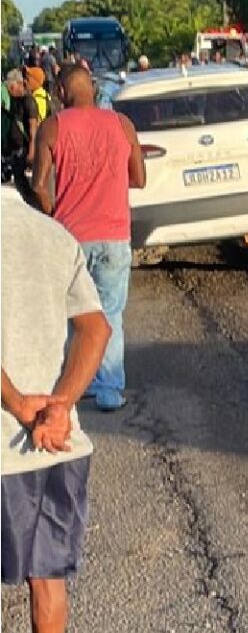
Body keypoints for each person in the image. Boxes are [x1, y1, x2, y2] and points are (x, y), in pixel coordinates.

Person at [2, 181, 112, 633]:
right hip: (56, 445)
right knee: (47, 575)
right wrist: (61, 403)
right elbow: (96, 329)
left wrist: (20, 403)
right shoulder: (54, 235)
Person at [31, 64, 147, 412]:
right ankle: (109, 389)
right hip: (113, 235)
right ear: (94, 90)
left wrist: (54, 214)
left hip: (70, 238)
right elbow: (139, 178)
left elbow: (38, 184)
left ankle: (72, 387)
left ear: (62, 93)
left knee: (73, 313)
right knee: (110, 312)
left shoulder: (53, 127)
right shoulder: (122, 125)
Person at [5, 70, 41, 182]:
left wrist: (31, 150)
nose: (9, 89)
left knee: (22, 183)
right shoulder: (15, 100)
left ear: (20, 84)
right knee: (18, 182)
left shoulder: (28, 101)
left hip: (24, 149)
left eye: (11, 86)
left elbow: (33, 128)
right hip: (15, 148)